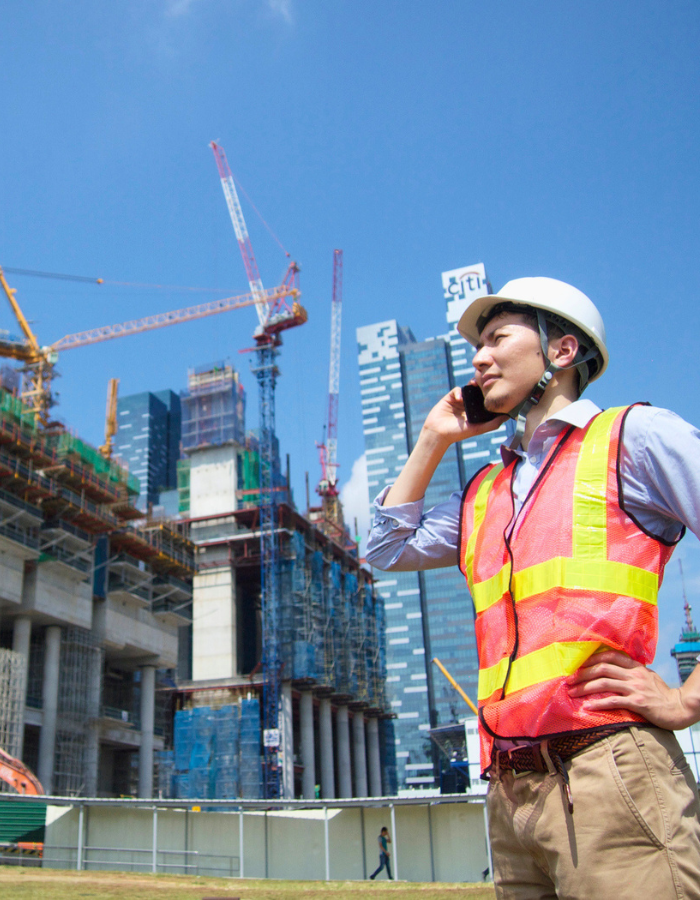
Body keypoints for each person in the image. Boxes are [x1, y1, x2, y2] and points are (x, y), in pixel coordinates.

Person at [366, 276, 700, 899]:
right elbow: (385, 546)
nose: (478, 358)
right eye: (477, 346)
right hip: (509, 792)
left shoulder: (634, 438)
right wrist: (434, 438)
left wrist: (688, 699)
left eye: (497, 339)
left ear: (562, 352)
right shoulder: (486, 490)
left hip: (608, 771)